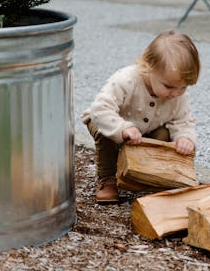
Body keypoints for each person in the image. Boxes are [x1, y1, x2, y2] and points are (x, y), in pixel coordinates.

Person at [81, 30, 200, 204]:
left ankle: (147, 176)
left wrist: (185, 138)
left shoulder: (176, 94)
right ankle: (106, 179)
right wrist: (123, 128)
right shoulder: (126, 80)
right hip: (107, 121)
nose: (176, 93)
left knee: (164, 135)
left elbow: (182, 120)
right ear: (148, 67)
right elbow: (100, 109)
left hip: (145, 129)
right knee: (105, 136)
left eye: (183, 88)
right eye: (169, 86)